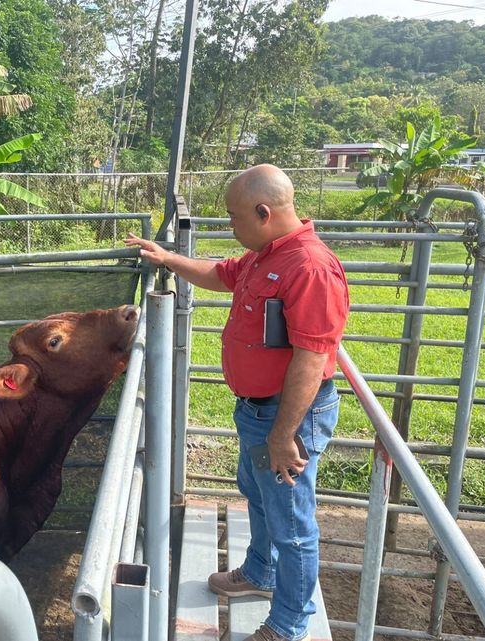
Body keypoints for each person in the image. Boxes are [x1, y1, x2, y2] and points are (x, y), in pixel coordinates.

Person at [125, 164, 349, 641]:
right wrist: (167, 259)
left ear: (263, 212)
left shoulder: (309, 268)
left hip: (287, 416)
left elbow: (312, 359)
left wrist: (284, 434)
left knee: (291, 522)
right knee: (260, 497)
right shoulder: (267, 254)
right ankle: (260, 573)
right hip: (260, 411)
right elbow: (219, 273)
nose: (230, 225)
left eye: (233, 217)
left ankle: (288, 624)